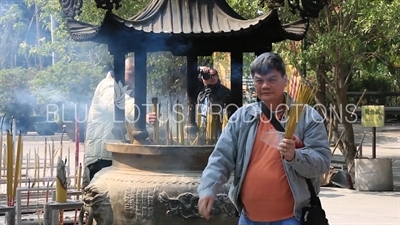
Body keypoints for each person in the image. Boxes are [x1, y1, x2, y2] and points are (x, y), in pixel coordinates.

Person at [197, 53, 331, 225]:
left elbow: (322, 163)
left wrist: (294, 156)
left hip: (292, 219)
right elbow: (221, 158)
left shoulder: (307, 117)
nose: (265, 85)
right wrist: (208, 189)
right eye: (259, 81)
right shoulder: (242, 117)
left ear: (285, 79)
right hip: (248, 218)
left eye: (272, 79)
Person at [84, 57, 157, 180]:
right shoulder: (107, 87)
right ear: (121, 71)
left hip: (116, 156)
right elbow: (118, 103)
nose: (135, 80)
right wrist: (142, 115)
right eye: (132, 75)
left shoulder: (125, 89)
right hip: (102, 158)